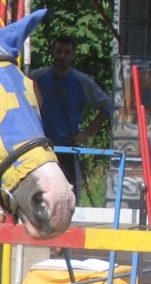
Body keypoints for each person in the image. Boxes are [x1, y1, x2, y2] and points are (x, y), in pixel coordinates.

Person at [31, 34, 114, 193]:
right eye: (58, 51)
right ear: (53, 53)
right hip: (39, 148)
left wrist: (86, 133)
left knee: (69, 193)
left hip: (67, 149)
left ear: (73, 55)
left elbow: (108, 106)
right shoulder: (36, 78)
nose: (62, 56)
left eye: (67, 52)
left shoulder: (81, 81)